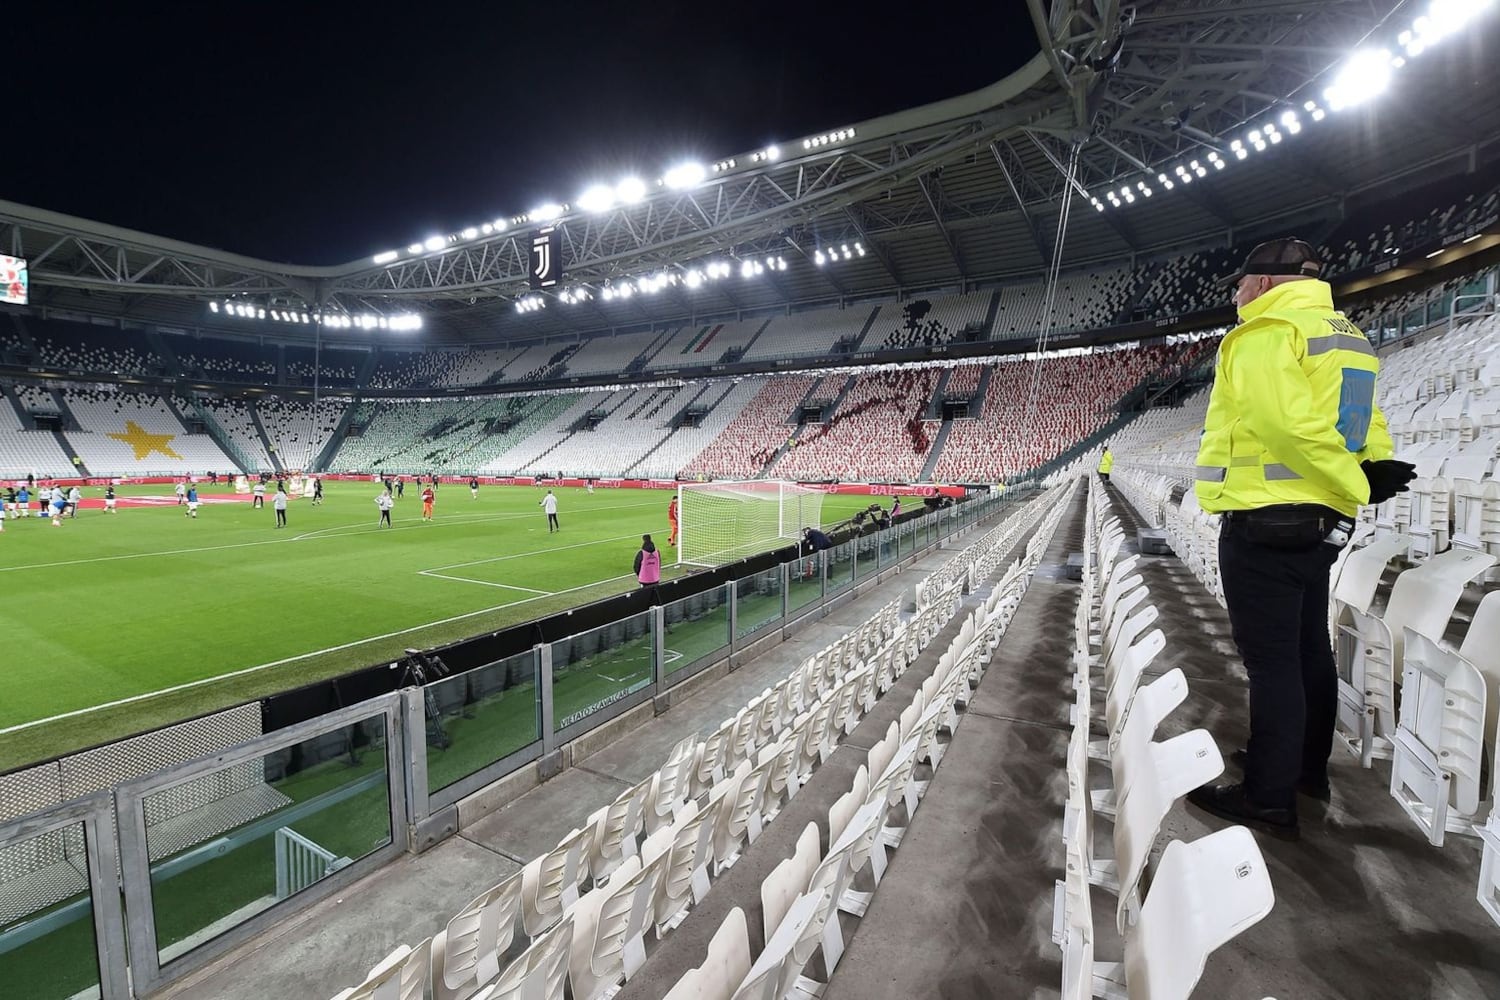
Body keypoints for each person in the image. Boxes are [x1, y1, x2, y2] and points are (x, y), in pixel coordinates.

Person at [1184, 238, 1416, 841]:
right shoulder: (1348, 336)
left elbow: (1284, 425)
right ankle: (1304, 770)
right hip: (1321, 524)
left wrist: (1357, 479)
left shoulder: (1265, 332)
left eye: (1239, 283)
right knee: (1309, 651)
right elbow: (1364, 420)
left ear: (1263, 284)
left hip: (1268, 520)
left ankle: (1268, 795)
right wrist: (1373, 466)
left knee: (1273, 665)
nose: (1235, 294)